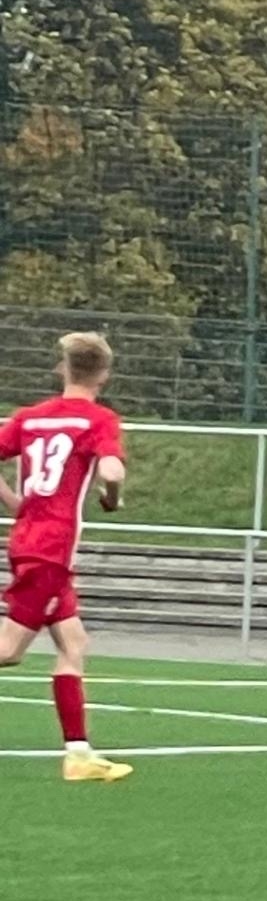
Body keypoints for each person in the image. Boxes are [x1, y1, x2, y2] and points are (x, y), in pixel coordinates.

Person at [0, 332, 132, 782]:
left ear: (63, 368)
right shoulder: (99, 419)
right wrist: (112, 493)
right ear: (104, 375)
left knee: (74, 643)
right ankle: (78, 755)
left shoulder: (30, 417)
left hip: (34, 544)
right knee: (8, 651)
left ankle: (78, 754)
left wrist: (16, 504)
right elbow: (111, 467)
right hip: (50, 551)